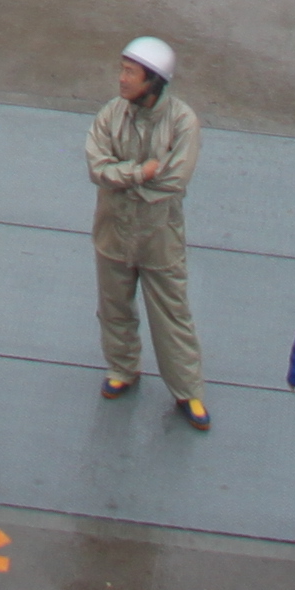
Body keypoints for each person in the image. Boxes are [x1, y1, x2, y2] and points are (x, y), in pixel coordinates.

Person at [91, 35, 206, 425]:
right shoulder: (111, 114)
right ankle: (122, 369)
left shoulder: (183, 122)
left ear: (153, 80)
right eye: (122, 70)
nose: (121, 79)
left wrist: (120, 178)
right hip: (112, 232)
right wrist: (141, 172)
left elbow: (174, 179)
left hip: (159, 238)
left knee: (172, 314)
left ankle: (187, 391)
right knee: (114, 307)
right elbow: (96, 168)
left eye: (129, 72)